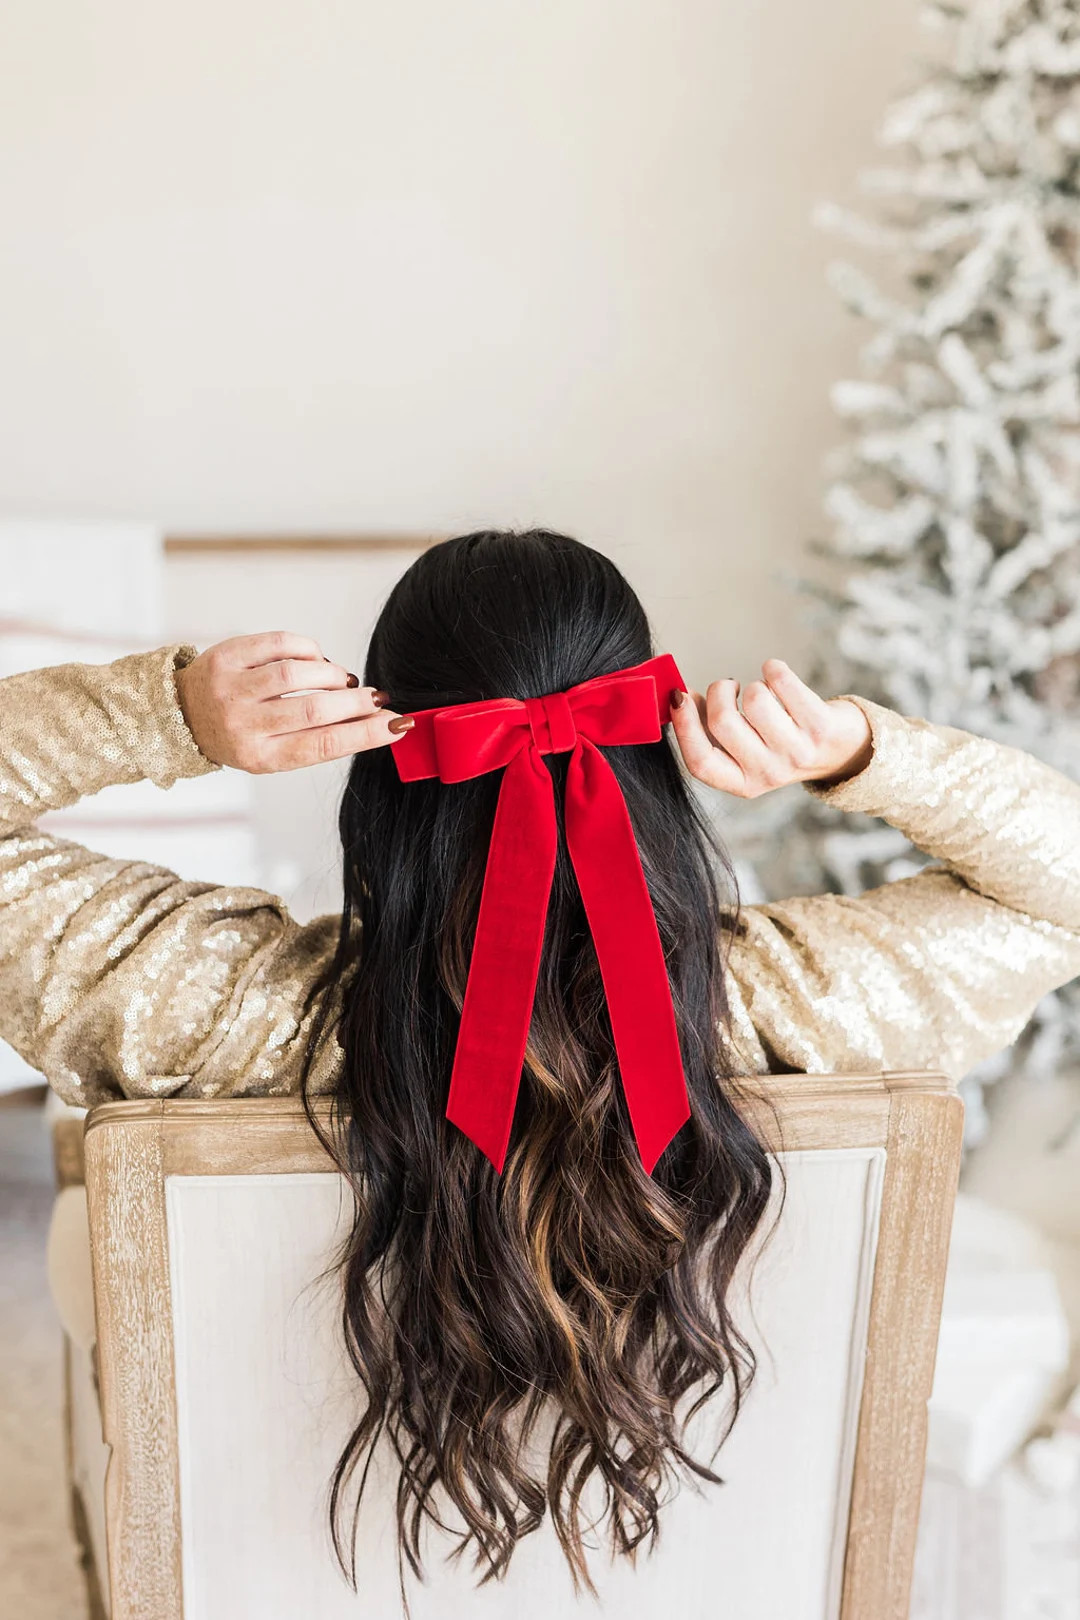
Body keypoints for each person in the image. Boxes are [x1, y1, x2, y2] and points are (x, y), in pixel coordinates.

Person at [2, 528, 1079, 1591]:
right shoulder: (801, 1010)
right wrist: (855, 750)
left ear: (378, 761)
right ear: (653, 760)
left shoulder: (217, 1018)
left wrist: (169, 714)